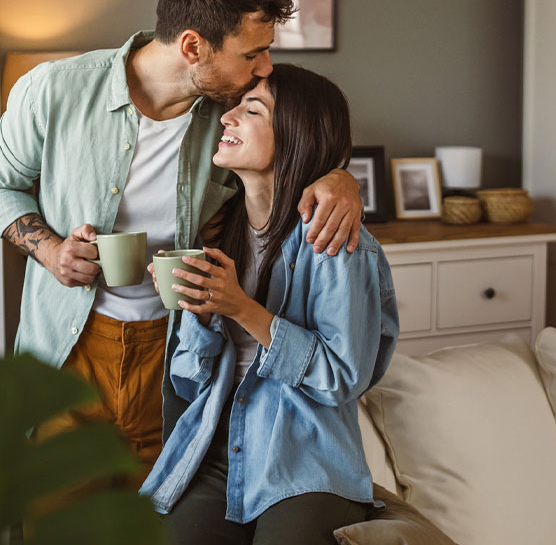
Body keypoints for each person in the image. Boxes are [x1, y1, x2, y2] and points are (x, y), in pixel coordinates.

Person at [0, 0, 363, 472]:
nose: (264, 67)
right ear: (193, 45)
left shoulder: (230, 117)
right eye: (252, 53)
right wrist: (49, 250)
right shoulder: (53, 90)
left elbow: (296, 143)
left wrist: (340, 176)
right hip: (67, 348)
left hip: (179, 353)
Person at [141, 65, 399, 544]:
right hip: (215, 449)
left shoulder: (335, 239)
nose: (227, 118)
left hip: (305, 459)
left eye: (251, 109)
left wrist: (242, 309)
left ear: (296, 135)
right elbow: (188, 378)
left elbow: (341, 377)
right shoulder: (217, 232)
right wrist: (199, 314)